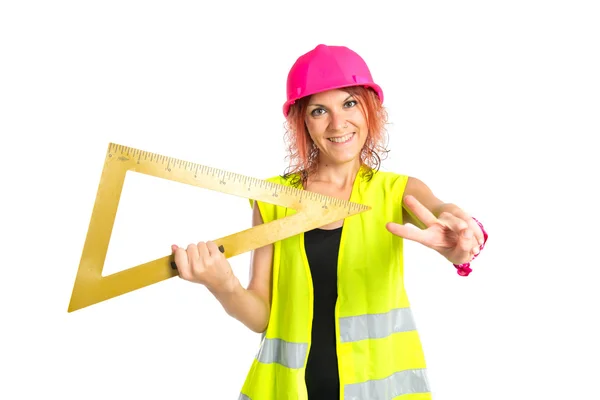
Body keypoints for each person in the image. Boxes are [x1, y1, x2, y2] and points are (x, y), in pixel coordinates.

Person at [171, 44, 488, 400]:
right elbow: (261, 318)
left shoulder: (399, 191)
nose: (338, 124)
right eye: (320, 110)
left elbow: (446, 220)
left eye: (349, 103)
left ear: (370, 108)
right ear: (302, 121)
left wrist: (462, 240)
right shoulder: (273, 198)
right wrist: (223, 284)